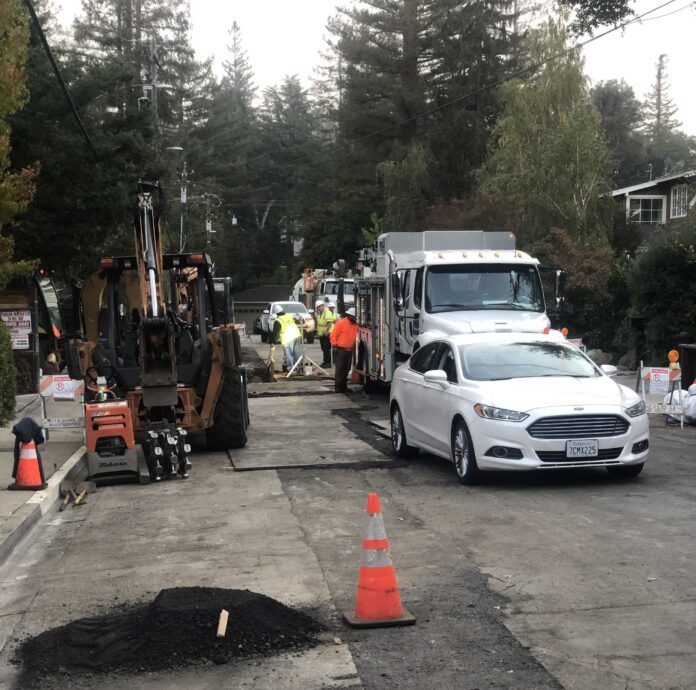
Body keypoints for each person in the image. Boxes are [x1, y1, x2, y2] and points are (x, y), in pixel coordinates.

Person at [330, 307, 359, 393]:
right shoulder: (341, 324)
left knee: (346, 369)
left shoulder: (355, 325)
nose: (355, 318)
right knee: (339, 369)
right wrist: (334, 346)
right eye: (354, 316)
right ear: (349, 316)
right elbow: (333, 335)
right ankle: (338, 387)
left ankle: (343, 387)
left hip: (349, 350)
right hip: (340, 350)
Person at [272, 304, 302, 371]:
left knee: (289, 354)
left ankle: (290, 369)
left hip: (288, 337)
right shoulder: (288, 316)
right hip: (297, 335)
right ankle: (297, 368)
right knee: (296, 352)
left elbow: (275, 333)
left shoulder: (278, 320)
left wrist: (273, 342)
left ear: (276, 313)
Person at [315, 300, 332, 367]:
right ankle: (325, 362)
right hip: (322, 334)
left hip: (326, 334)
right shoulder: (320, 314)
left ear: (322, 306)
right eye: (317, 307)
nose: (318, 308)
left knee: (327, 348)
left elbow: (329, 323)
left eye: (319, 307)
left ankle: (328, 363)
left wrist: (327, 331)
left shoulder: (327, 312)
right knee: (323, 348)